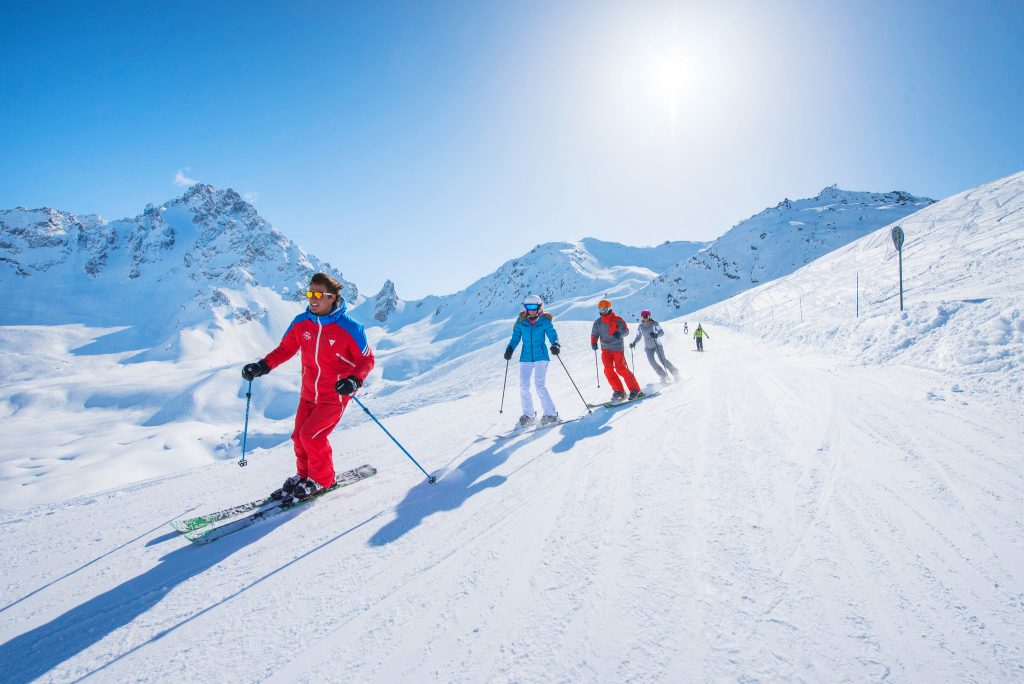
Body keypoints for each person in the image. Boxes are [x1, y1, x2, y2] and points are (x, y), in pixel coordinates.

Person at [241, 272, 374, 502]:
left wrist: (354, 380)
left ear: (332, 298)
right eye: (310, 293)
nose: (312, 298)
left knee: (311, 436)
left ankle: (323, 479)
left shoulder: (351, 328)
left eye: (318, 294)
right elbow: (285, 350)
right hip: (309, 393)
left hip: (334, 395)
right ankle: (304, 476)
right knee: (298, 437)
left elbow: (366, 360)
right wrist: (262, 366)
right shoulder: (302, 322)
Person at [504, 295, 560, 427]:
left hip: (541, 356)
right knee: (524, 386)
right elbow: (515, 337)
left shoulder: (544, 320)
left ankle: (551, 414)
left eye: (533, 307)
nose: (531, 310)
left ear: (539, 306)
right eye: (528, 307)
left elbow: (553, 334)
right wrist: (510, 349)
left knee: (539, 386)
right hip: (525, 358)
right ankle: (529, 415)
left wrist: (555, 344)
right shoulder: (521, 320)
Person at [590, 299, 643, 401]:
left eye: (605, 308)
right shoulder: (598, 322)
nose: (603, 311)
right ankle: (619, 391)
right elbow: (594, 334)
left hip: (617, 348)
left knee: (621, 369)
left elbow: (626, 331)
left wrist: (620, 334)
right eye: (601, 309)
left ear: (609, 308)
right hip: (605, 349)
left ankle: (635, 390)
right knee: (608, 370)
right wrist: (593, 342)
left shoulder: (618, 320)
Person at [630, 310, 679, 384]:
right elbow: (638, 336)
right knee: (652, 362)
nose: (645, 318)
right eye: (643, 317)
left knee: (663, 360)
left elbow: (661, 332)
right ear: (642, 317)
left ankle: (675, 373)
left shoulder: (655, 324)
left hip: (657, 345)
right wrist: (634, 343)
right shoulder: (640, 326)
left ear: (649, 317)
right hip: (648, 347)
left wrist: (656, 335)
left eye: (647, 316)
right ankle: (663, 376)